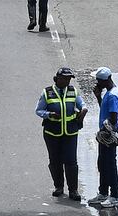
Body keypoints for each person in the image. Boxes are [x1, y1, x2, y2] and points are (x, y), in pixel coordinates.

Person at [35, 67, 86, 201]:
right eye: (65, 78)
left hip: (70, 132)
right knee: (55, 161)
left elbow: (82, 104)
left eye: (69, 79)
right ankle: (59, 187)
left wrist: (83, 110)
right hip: (52, 133)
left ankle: (73, 190)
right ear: (57, 78)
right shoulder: (47, 93)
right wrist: (49, 114)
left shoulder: (73, 91)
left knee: (71, 162)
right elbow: (38, 110)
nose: (67, 81)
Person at [88, 67, 118, 209]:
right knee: (102, 163)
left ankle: (115, 195)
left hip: (109, 136)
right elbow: (106, 109)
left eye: (98, 81)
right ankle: (103, 192)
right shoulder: (109, 92)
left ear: (105, 80)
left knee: (110, 165)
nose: (97, 83)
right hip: (105, 136)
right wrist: (98, 97)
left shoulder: (113, 95)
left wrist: (105, 129)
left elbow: (113, 118)